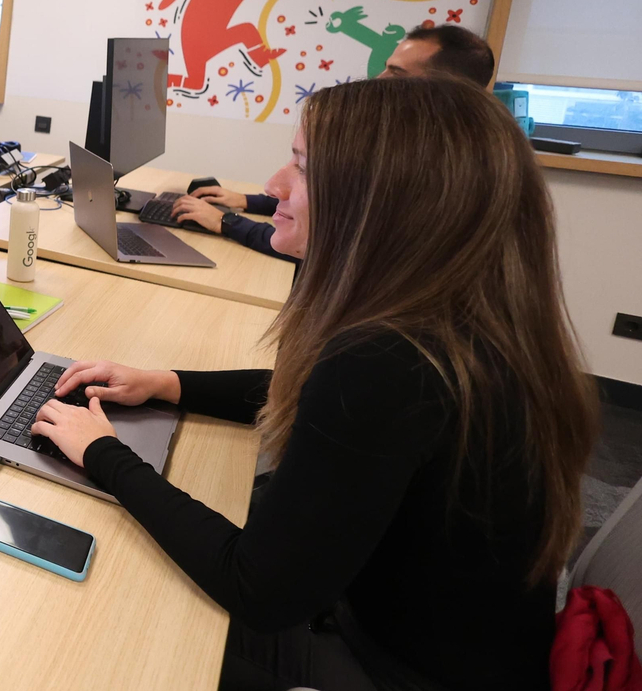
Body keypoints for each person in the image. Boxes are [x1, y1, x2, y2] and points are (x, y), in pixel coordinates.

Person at [32, 77, 597, 691]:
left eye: (300, 166)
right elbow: (311, 398)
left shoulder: (386, 364)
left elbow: (257, 590)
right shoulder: (456, 329)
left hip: (387, 668)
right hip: (444, 643)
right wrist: (166, 383)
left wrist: (103, 454)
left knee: (102, 625)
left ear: (381, 200)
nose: (272, 185)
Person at [172, 23, 496, 251]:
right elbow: (325, 202)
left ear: (449, 91)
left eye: (396, 75)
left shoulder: (422, 173)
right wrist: (246, 202)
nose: (378, 80)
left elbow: (317, 242)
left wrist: (227, 223)